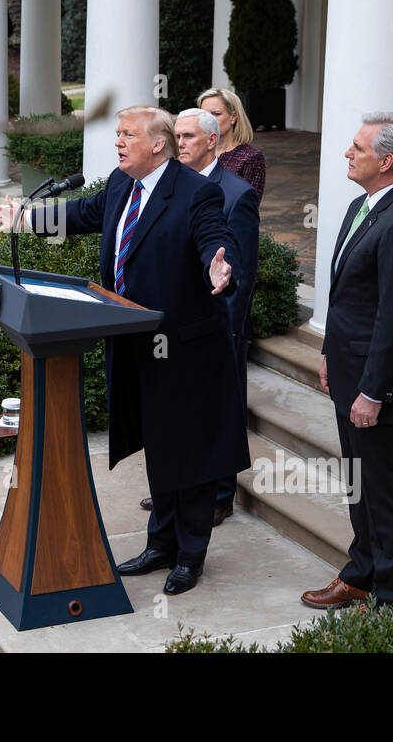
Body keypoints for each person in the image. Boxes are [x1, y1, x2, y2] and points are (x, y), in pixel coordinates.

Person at [0, 106, 241, 595]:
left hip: (185, 351)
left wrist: (217, 265)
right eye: (118, 134)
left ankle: (190, 556)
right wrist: (25, 216)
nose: (119, 142)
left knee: (188, 453)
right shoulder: (123, 186)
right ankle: (160, 543)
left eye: (128, 135)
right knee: (158, 446)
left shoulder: (196, 191)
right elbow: (83, 213)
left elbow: (214, 237)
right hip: (136, 341)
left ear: (159, 144)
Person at [300, 112, 393, 614]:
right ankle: (360, 573)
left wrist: (373, 391)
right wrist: (329, 355)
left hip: (382, 386)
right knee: (359, 483)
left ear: (387, 160)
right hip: (349, 368)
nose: (347, 153)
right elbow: (348, 298)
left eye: (357, 148)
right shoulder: (364, 204)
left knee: (387, 491)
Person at [137, 108, 259, 525]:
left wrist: (225, 331)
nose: (180, 143)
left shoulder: (236, 193)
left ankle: (221, 496)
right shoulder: (168, 185)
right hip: (175, 329)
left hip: (218, 328)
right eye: (177, 136)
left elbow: (237, 269)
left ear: (212, 141)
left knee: (217, 417)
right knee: (179, 419)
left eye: (188, 136)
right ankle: (175, 489)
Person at [197, 88, 266, 199]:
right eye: (204, 115)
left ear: (233, 117)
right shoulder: (193, 151)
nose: (208, 120)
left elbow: (248, 205)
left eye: (216, 114)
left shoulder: (250, 157)